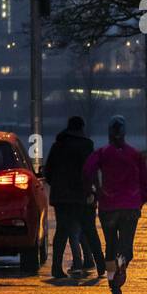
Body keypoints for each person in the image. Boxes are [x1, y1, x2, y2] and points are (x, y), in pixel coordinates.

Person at [82, 116, 147, 294]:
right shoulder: (135, 155)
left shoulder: (103, 153)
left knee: (110, 247)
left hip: (108, 206)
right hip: (130, 206)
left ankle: (114, 287)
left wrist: (94, 189)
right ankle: (123, 264)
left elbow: (87, 170)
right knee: (126, 247)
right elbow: (145, 182)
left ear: (109, 134)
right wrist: (140, 200)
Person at [42, 115, 103, 279]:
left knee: (62, 232)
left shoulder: (57, 145)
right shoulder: (87, 145)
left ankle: (56, 268)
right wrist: (94, 191)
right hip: (81, 195)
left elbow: (48, 172)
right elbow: (91, 170)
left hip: (61, 197)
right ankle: (101, 266)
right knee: (89, 230)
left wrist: (57, 184)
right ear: (81, 128)